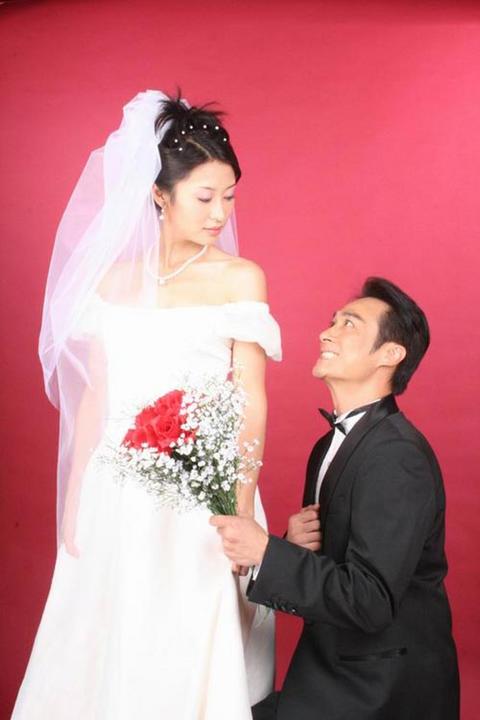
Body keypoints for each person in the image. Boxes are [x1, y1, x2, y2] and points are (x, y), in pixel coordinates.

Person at [12, 90, 282, 719]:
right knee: (109, 636)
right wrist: (75, 496)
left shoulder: (240, 277)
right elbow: (96, 397)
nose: (220, 213)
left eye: (230, 197)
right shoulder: (110, 282)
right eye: (205, 198)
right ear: (160, 195)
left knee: (186, 636)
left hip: (200, 490)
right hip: (116, 490)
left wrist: (241, 504)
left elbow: (252, 398)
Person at [212, 277, 460, 719]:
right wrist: (290, 547)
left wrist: (267, 553)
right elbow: (338, 571)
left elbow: (370, 600)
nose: (326, 333)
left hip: (379, 691)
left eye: (349, 324)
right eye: (332, 322)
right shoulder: (328, 446)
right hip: (330, 672)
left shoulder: (396, 455)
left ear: (390, 354)